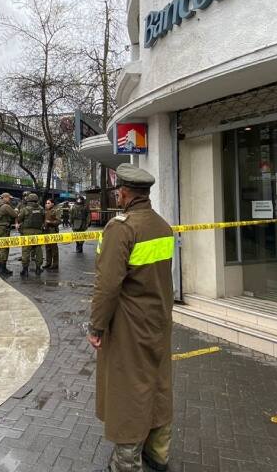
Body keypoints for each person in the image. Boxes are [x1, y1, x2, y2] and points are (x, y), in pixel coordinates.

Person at [88, 164, 174, 472]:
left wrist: (96, 326)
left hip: (129, 326)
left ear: (123, 193)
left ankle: (126, 463)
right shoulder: (163, 226)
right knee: (158, 384)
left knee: (129, 391)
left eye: (118, 192)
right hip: (158, 321)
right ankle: (159, 453)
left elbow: (107, 285)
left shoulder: (121, 228)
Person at [17, 192, 45, 277]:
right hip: (38, 232)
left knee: (26, 250)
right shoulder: (41, 209)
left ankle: (25, 270)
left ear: (28, 199)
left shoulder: (25, 209)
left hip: (27, 232)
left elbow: (19, 219)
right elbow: (43, 218)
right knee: (38, 250)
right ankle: (38, 269)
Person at [0, 192, 16, 277]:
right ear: (5, 198)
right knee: (4, 247)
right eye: (9, 198)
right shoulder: (6, 206)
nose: (10, 200)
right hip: (3, 228)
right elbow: (15, 215)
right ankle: (3, 268)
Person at [42, 198, 60, 271]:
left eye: (48, 203)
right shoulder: (45, 211)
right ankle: (48, 263)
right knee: (47, 247)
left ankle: (55, 264)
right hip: (46, 230)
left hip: (53, 230)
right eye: (46, 203)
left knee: (54, 248)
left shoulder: (56, 210)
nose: (47, 204)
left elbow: (59, 221)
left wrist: (51, 222)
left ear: (52, 204)